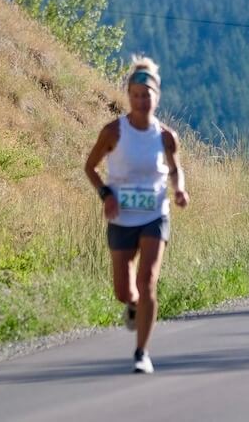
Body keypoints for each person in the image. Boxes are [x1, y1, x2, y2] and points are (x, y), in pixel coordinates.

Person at [84, 57, 190, 374]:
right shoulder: (113, 131)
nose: (143, 101)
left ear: (157, 97)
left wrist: (180, 189)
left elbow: (175, 169)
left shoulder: (166, 136)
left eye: (148, 95)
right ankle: (132, 306)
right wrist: (105, 195)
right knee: (123, 290)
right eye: (137, 95)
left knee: (147, 283)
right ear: (128, 96)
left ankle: (142, 352)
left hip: (155, 213)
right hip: (121, 215)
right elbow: (90, 168)